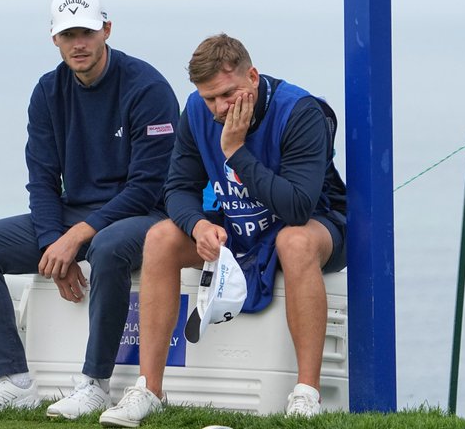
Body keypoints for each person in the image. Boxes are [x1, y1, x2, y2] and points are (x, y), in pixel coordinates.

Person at [0, 0, 179, 419]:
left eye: (88, 32)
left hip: (144, 214)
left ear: (106, 30)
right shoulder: (47, 92)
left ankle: (94, 385)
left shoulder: (146, 87)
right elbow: (40, 180)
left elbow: (148, 187)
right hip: (77, 216)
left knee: (109, 247)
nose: (79, 43)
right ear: (54, 38)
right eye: (69, 34)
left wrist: (75, 237)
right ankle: (13, 379)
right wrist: (53, 240)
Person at [99, 34, 347, 426]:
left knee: (293, 240)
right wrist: (197, 225)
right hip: (235, 224)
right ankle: (149, 388)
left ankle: (306, 393)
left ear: (252, 75)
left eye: (228, 94)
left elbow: (298, 206)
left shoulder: (299, 111)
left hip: (314, 224)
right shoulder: (198, 111)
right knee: (161, 237)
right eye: (209, 97)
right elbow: (178, 187)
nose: (218, 107)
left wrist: (235, 152)